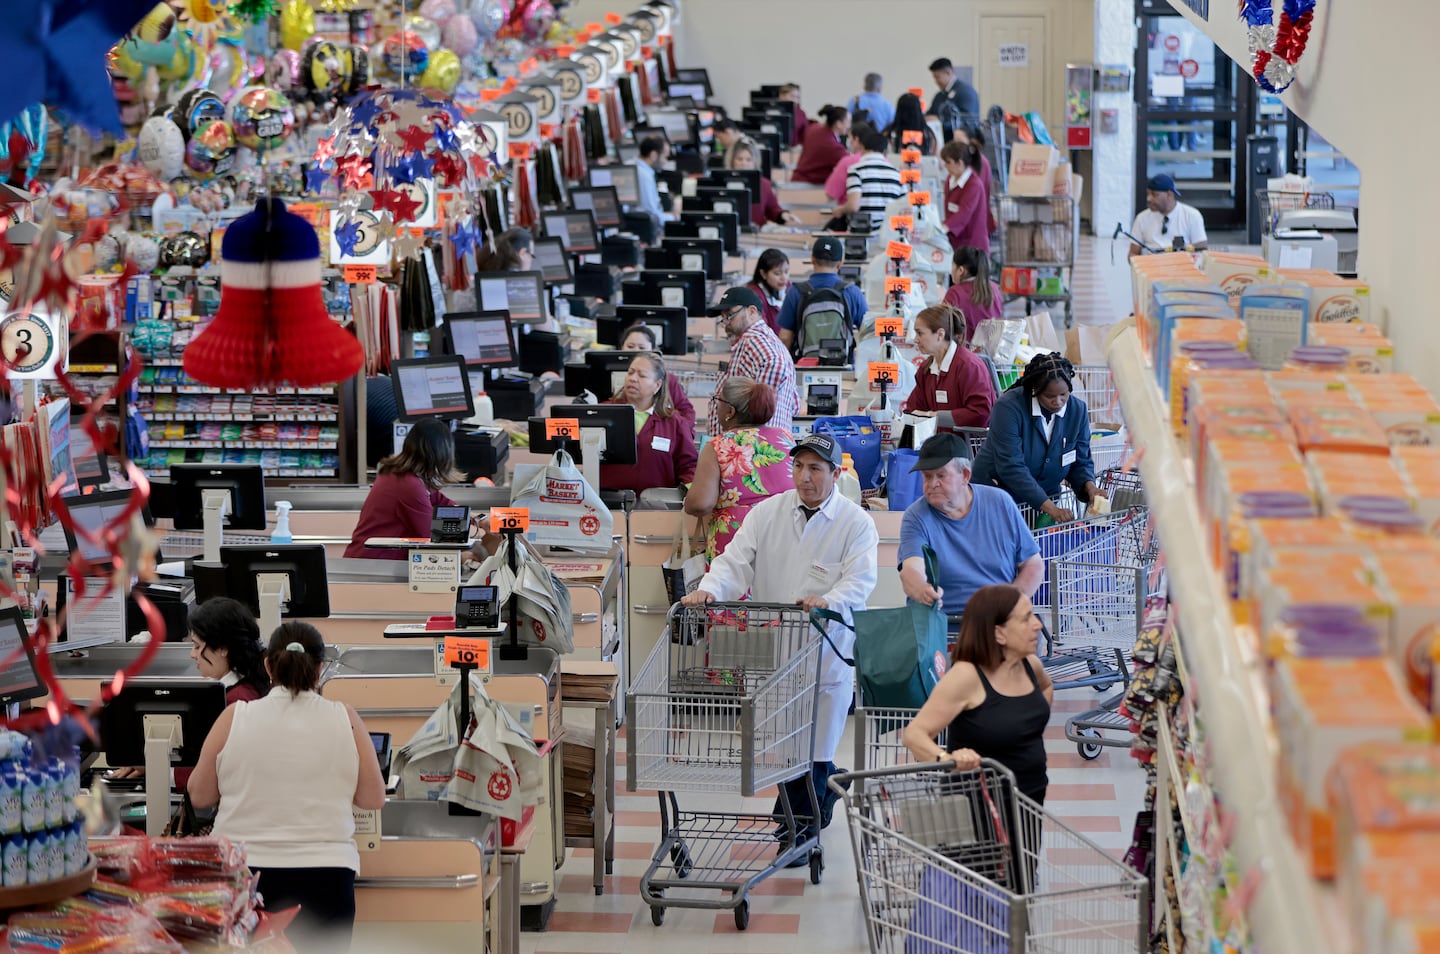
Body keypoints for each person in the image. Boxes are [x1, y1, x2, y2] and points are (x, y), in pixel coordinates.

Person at [681, 433, 878, 842]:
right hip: (778, 646)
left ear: (836, 474)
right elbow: (734, 562)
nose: (804, 477)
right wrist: (710, 590)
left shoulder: (855, 523)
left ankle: (799, 832)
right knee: (787, 744)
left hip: (827, 649)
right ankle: (812, 804)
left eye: (815, 469)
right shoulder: (767, 513)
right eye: (799, 467)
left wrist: (829, 600)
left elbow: (861, 580)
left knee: (817, 744)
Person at [189, 622, 387, 950]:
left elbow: (200, 795)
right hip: (327, 875)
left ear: (268, 666)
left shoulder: (235, 716)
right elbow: (373, 797)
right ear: (319, 669)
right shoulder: (345, 718)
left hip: (246, 874)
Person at [902, 584, 1053, 808]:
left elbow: (1046, 687)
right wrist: (947, 760)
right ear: (999, 633)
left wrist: (1027, 726)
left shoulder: (1030, 665)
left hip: (1030, 799)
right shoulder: (966, 676)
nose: (1037, 625)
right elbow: (914, 735)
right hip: (977, 806)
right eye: (1026, 619)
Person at [109, 597, 271, 784]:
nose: (192, 654)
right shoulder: (241, 688)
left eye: (197, 646)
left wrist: (155, 769)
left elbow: (216, 773)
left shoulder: (237, 702)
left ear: (222, 649)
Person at [897, 434, 1044, 615]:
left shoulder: (1000, 503)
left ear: (965, 475)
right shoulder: (916, 516)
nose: (932, 484)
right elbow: (911, 570)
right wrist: (922, 590)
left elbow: (1033, 565)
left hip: (997, 617)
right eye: (927, 477)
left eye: (941, 475)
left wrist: (1011, 602)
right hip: (944, 621)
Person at [971, 353, 1108, 523]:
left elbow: (1080, 460)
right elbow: (1011, 466)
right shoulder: (1008, 408)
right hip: (998, 494)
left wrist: (1090, 487)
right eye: (1050, 396)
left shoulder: (1077, 411)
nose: (1058, 402)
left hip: (1044, 500)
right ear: (1035, 389)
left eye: (1064, 394)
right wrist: (1051, 509)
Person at [683, 377, 794, 561]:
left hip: (735, 543)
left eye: (718, 401)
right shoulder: (785, 438)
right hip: (782, 538)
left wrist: (688, 500)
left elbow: (700, 504)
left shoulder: (719, 445)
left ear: (730, 411)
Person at [344, 419, 466, 560]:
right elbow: (431, 534)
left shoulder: (398, 473)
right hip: (374, 564)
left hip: (366, 558)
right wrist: (466, 549)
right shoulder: (409, 486)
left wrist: (470, 517)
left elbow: (438, 499)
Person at [600, 352, 697, 493]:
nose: (633, 378)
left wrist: (689, 494)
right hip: (607, 500)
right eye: (630, 372)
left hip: (657, 503)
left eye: (642, 375)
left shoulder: (675, 423)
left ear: (657, 385)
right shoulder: (603, 413)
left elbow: (689, 466)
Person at [707, 286, 799, 434]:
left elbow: (774, 364)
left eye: (730, 316)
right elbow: (794, 404)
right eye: (723, 318)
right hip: (758, 442)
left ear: (751, 311)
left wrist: (758, 415)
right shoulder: (763, 339)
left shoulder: (754, 338)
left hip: (755, 444)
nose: (725, 323)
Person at [901, 305, 995, 430]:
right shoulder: (926, 369)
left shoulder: (969, 366)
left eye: (920, 333)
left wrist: (932, 417)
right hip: (937, 440)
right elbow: (914, 409)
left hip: (965, 441)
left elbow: (980, 413)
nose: (915, 339)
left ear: (940, 335)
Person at [776, 236, 868, 352]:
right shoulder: (852, 292)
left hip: (805, 362)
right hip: (843, 362)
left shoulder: (796, 292)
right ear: (840, 263)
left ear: (812, 259)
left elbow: (785, 337)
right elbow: (868, 333)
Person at [619, 323, 697, 433]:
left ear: (652, 350)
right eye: (630, 346)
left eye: (642, 347)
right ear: (621, 347)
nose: (636, 351)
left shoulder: (667, 379)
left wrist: (680, 431)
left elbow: (686, 411)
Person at [833, 127, 905, 234]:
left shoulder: (856, 170)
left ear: (862, 147)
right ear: (885, 151)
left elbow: (853, 206)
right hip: (890, 233)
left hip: (863, 233)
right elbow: (904, 207)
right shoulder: (897, 174)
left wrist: (840, 210)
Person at [1129, 173, 1208, 256]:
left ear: (1169, 194)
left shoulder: (1191, 215)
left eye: (1154, 195)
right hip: (1152, 262)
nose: (1149, 199)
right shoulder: (1142, 218)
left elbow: (1201, 249)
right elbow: (1133, 253)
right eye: (1148, 194)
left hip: (1182, 262)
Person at [942, 245, 1004, 343]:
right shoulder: (995, 288)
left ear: (961, 270)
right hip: (991, 348)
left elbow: (941, 324)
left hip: (965, 348)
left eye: (952, 265)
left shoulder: (955, 292)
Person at [731, 141, 799, 226]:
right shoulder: (722, 182)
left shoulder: (764, 184)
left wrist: (783, 215)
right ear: (732, 161)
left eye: (749, 160)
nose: (744, 163)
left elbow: (773, 209)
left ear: (755, 162)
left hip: (756, 231)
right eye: (739, 159)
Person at [940, 138, 989, 254]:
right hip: (955, 242)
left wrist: (944, 228)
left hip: (973, 244)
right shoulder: (950, 180)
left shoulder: (974, 185)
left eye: (948, 162)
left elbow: (964, 212)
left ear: (960, 163)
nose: (945, 166)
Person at [791, 105, 851, 185]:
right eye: (848, 122)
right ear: (839, 124)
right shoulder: (833, 147)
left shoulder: (814, 128)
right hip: (809, 186)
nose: (849, 126)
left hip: (797, 180)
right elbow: (851, 164)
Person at [927, 57, 981, 143]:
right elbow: (930, 114)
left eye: (937, 77)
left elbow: (968, 122)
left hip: (959, 143)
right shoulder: (940, 95)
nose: (936, 81)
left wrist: (939, 122)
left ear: (948, 73)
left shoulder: (966, 91)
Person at [823, 122, 872, 207]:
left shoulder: (847, 162)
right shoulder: (885, 161)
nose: (848, 140)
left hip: (849, 212)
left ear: (856, 139)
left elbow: (831, 194)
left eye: (849, 137)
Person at [744, 248, 790, 334]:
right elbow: (762, 332)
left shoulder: (788, 288)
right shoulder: (754, 295)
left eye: (786, 272)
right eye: (777, 273)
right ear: (763, 274)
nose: (784, 278)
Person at [635, 136, 677, 227]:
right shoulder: (644, 176)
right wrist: (675, 217)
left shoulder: (635, 166)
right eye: (665, 157)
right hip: (646, 227)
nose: (665, 162)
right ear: (653, 155)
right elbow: (652, 215)